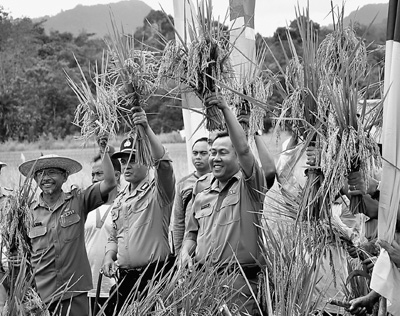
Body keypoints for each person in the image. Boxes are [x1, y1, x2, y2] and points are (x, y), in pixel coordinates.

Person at [179, 92, 268, 315]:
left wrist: (226, 109)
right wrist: (184, 253)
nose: (214, 158)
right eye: (212, 153)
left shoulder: (250, 184)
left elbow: (245, 149)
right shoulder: (201, 187)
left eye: (222, 153)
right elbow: (192, 233)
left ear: (237, 158)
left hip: (240, 285)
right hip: (203, 283)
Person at [18, 144, 117, 316]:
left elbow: (109, 182)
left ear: (65, 177)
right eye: (40, 173)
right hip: (42, 296)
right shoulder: (28, 214)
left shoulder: (78, 200)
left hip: (75, 291)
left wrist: (104, 152)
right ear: (35, 179)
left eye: (51, 172)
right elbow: (23, 255)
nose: (46, 177)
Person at [102, 109, 175, 314]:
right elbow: (115, 235)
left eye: (133, 159)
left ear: (146, 160)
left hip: (155, 277)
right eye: (124, 161)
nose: (126, 166)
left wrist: (146, 127)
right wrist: (109, 256)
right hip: (126, 278)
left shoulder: (159, 191)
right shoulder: (121, 198)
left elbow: (165, 167)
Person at [85, 152, 121, 314]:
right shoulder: (84, 206)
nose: (94, 179)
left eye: (99, 173)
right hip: (86, 288)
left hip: (115, 285)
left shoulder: (126, 205)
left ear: (116, 175)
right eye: (92, 174)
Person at [172, 137, 211, 254]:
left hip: (210, 246)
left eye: (203, 153)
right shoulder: (183, 184)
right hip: (189, 249)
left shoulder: (220, 181)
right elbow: (179, 221)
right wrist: (179, 253)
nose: (198, 157)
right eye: (195, 153)